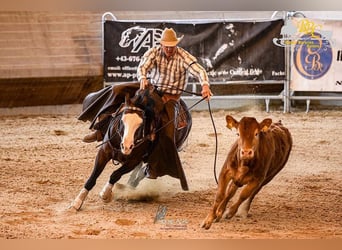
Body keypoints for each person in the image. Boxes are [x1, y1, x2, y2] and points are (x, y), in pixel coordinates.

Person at [135, 27, 212, 190]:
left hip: (171, 98)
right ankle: (103, 128)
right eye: (167, 46)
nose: (169, 49)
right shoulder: (154, 52)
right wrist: (142, 77)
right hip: (154, 93)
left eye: (172, 46)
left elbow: (198, 70)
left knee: (167, 133)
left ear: (176, 44)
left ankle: (155, 166)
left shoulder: (183, 55)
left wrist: (204, 85)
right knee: (128, 106)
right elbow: (143, 66)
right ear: (161, 44)